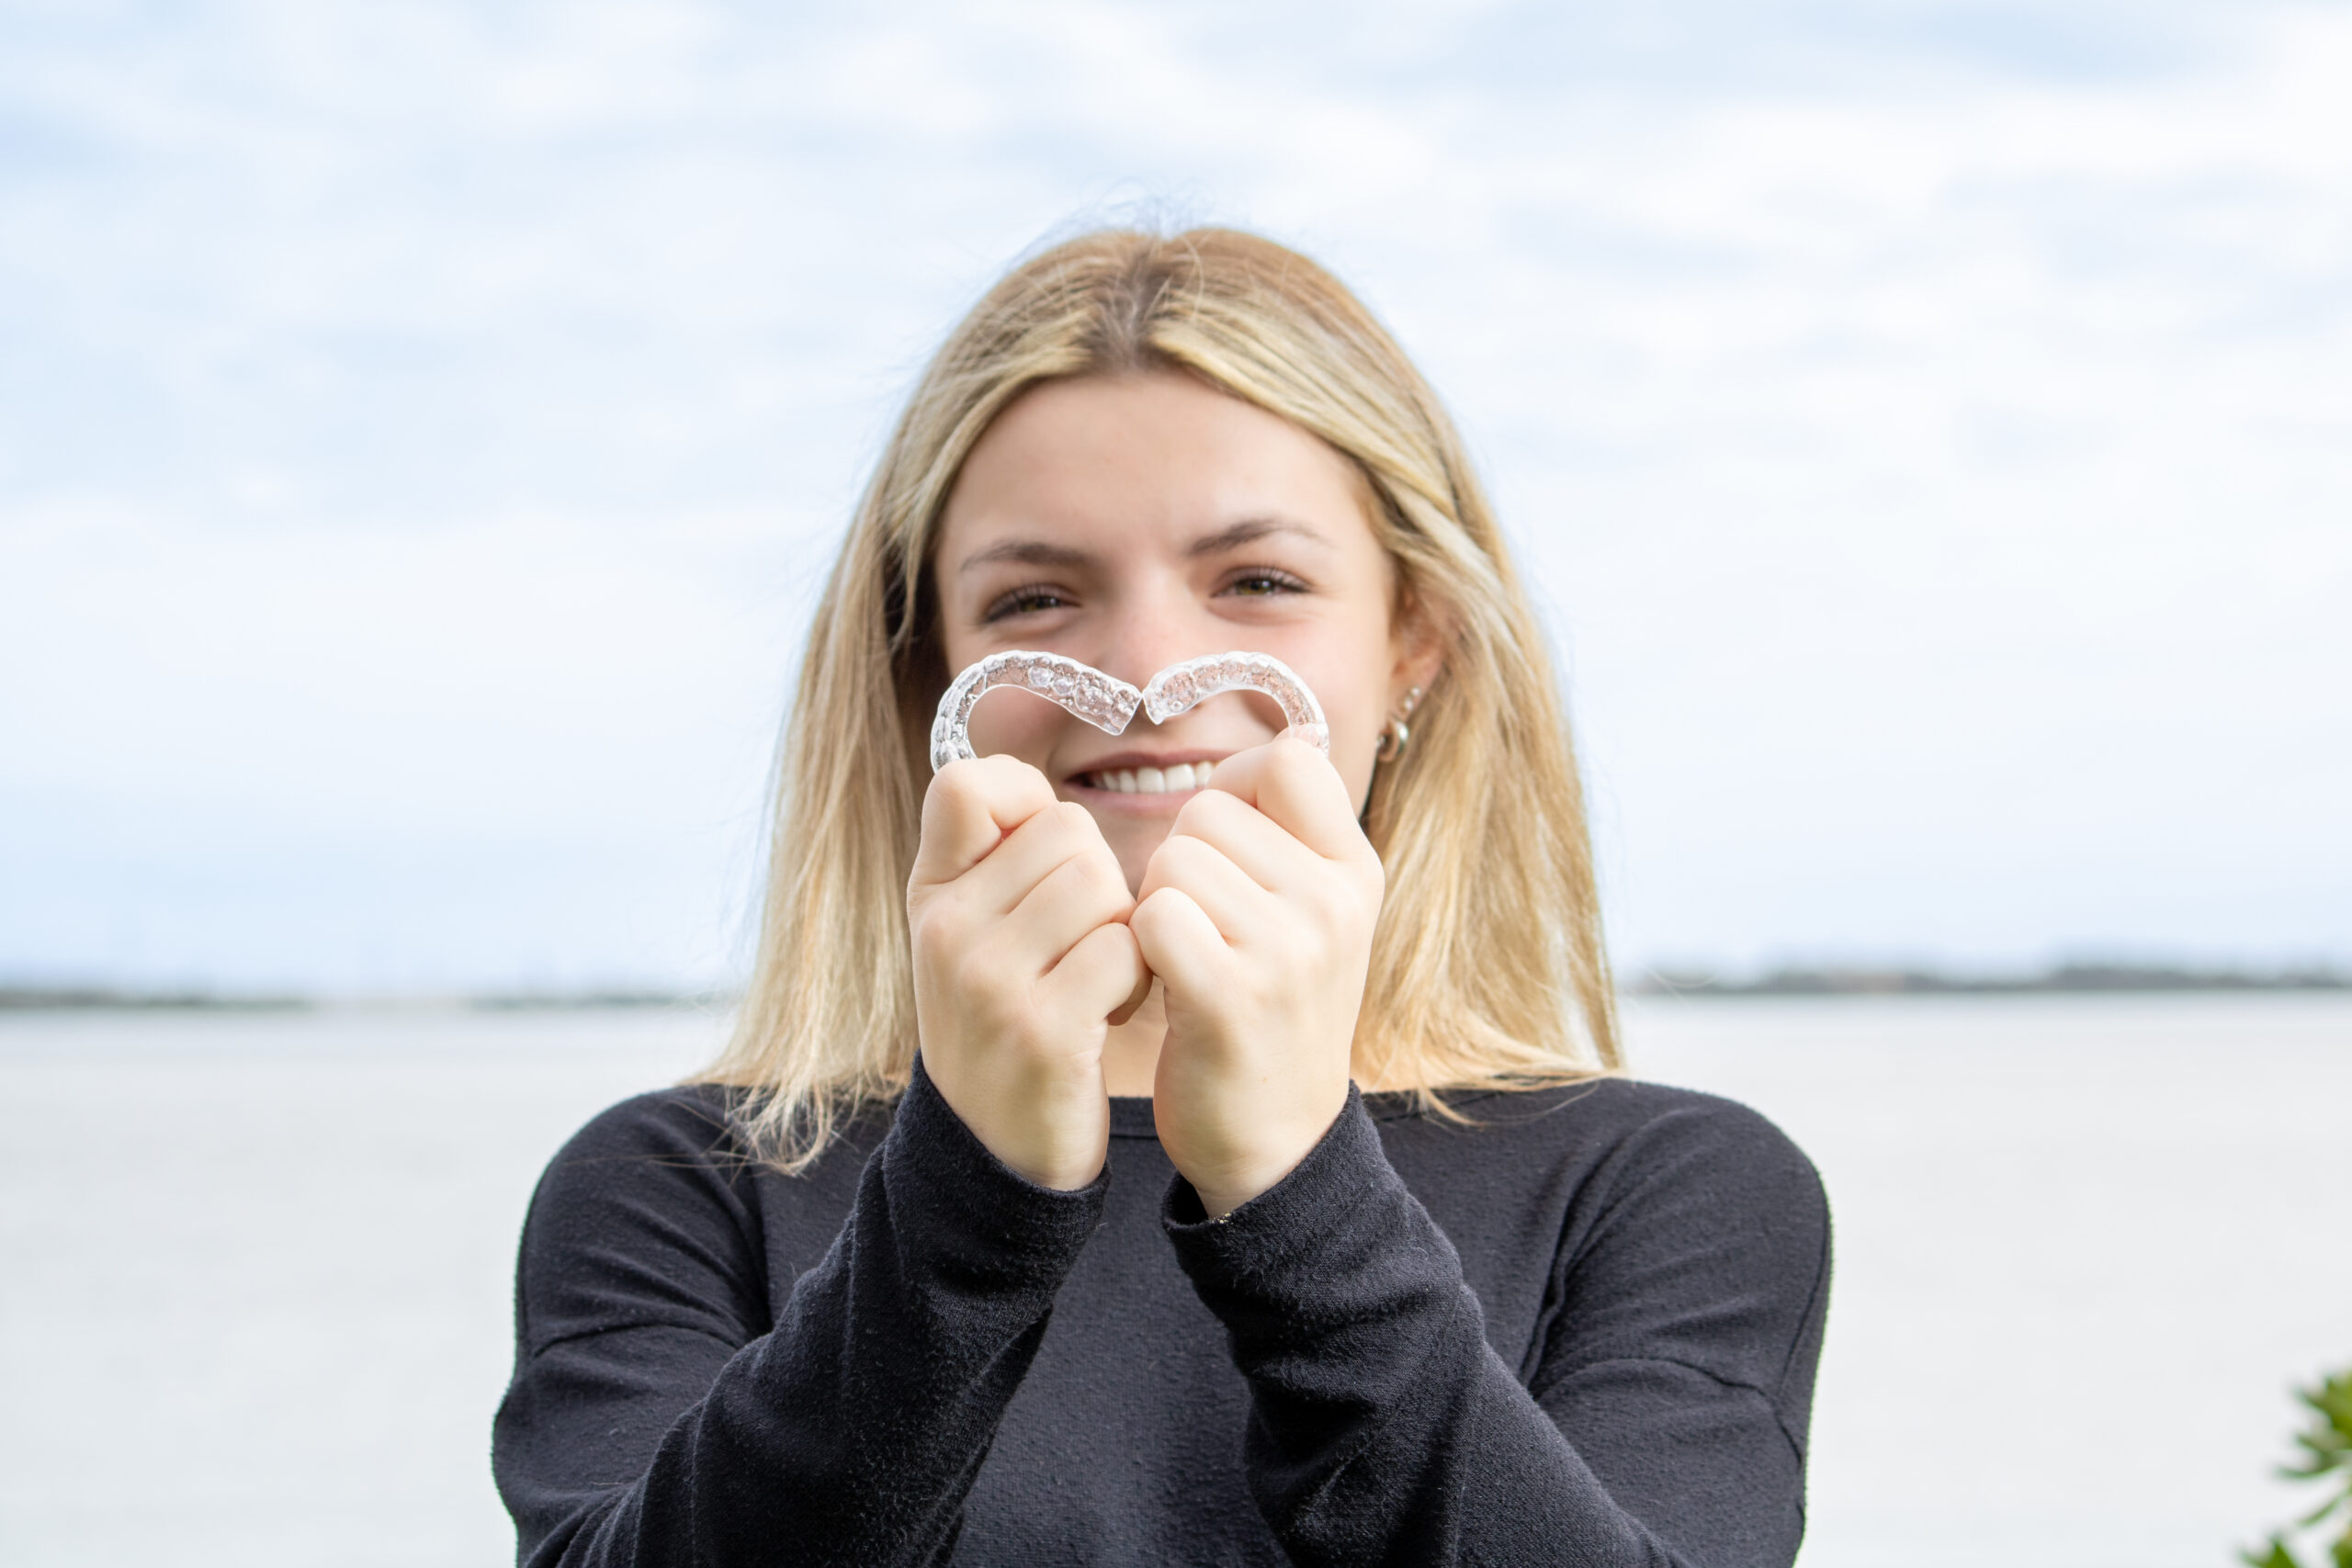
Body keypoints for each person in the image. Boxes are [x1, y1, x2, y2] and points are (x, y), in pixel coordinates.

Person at [492, 227, 1831, 1568]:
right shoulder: (680, 1192)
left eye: (1258, 582)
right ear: (925, 669)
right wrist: (972, 1184)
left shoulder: (1671, 1194)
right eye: (1034, 596)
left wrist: (1298, 1186)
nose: (1144, 668)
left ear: (1414, 641)